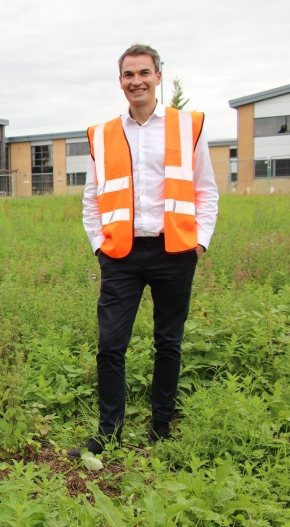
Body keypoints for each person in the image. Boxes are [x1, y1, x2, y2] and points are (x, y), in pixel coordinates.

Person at [68, 45, 219, 458]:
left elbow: (206, 190)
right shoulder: (102, 134)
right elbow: (91, 199)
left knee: (168, 342)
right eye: (128, 74)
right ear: (121, 81)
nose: (136, 81)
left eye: (144, 73)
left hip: (175, 251)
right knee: (110, 345)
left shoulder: (189, 126)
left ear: (158, 76)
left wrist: (199, 241)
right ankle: (109, 431)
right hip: (121, 256)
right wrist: (100, 246)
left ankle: (162, 427)